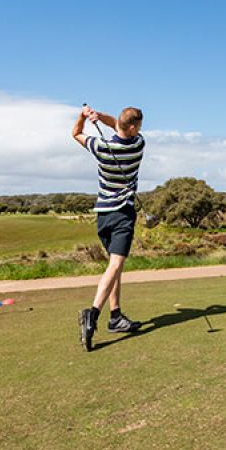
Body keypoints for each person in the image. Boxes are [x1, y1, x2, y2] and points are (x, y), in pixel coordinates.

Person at [72, 104, 146, 351]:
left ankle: (116, 317)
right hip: (122, 214)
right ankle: (92, 315)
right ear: (134, 127)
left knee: (115, 267)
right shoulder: (138, 145)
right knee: (115, 265)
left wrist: (84, 117)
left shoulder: (101, 147)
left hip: (102, 215)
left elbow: (75, 134)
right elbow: (117, 123)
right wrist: (100, 117)